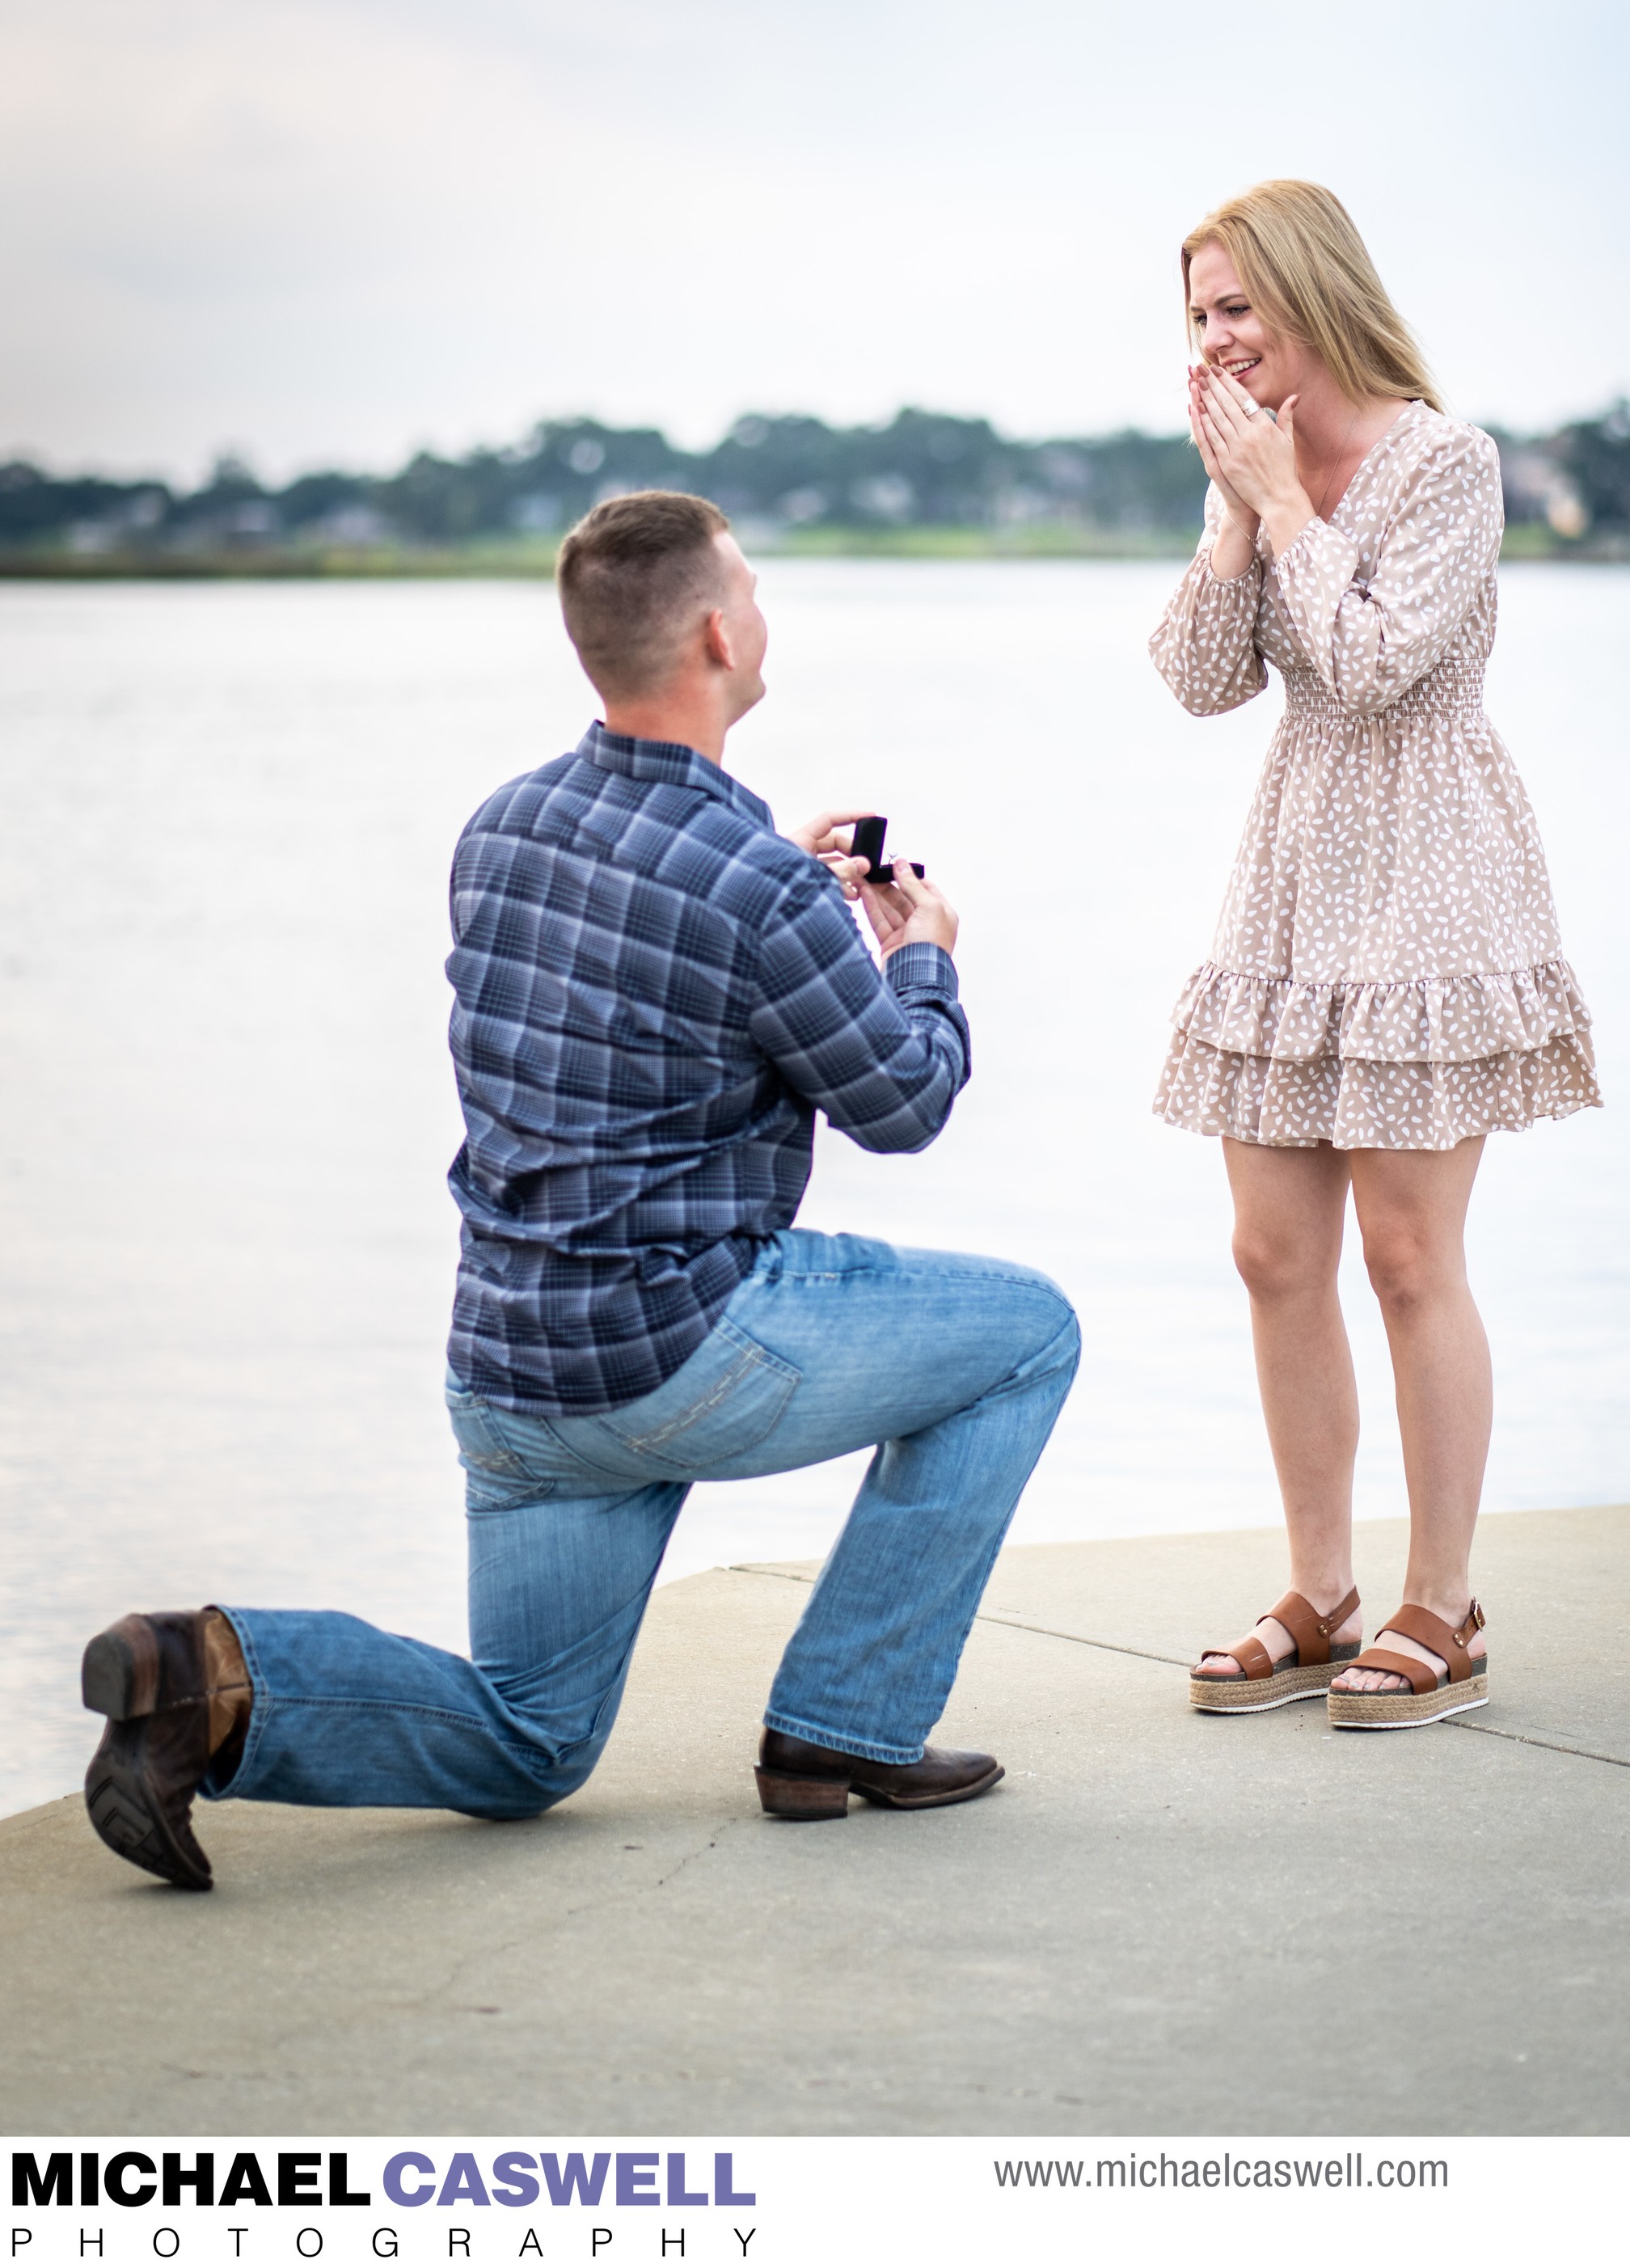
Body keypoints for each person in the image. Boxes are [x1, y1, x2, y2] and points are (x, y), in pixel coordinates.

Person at [81, 491, 1080, 1889]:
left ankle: (207, 1678)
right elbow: (903, 1101)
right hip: (675, 1357)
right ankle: (844, 1724)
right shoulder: (761, 897)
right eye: (753, 584)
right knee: (1031, 1332)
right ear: (724, 629)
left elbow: (637, 968)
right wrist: (924, 952)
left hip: (509, 1372)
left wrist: (780, 891)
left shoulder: (501, 828)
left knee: (530, 1746)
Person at [1150, 180, 1598, 1730]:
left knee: (1410, 1259)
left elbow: (1368, 667)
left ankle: (1443, 1600)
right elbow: (1205, 682)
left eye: (1234, 309)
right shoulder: (1251, 465)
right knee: (1271, 1252)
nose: (1211, 340)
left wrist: (1284, 506)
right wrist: (1231, 513)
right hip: (1291, 878)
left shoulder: (1443, 463)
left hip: (1430, 874)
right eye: (1195, 315)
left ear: (1309, 294)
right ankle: (1324, 1588)